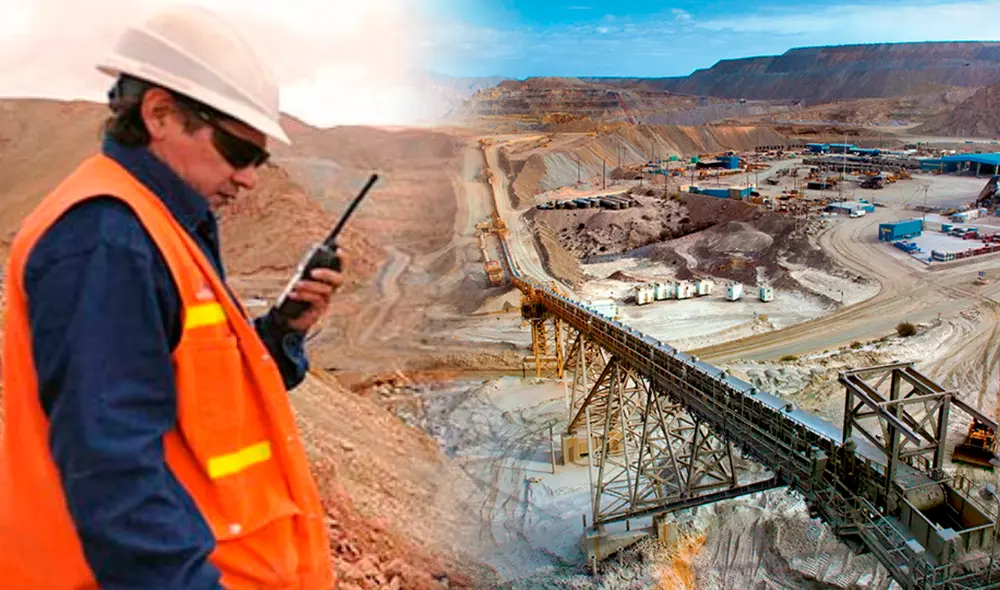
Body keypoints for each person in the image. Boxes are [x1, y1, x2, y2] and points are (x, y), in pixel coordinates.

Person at [0, 5, 339, 589]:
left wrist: (283, 331)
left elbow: (195, 400)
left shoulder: (160, 227)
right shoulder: (106, 240)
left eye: (259, 159)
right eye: (237, 152)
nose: (249, 178)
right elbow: (114, 473)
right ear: (160, 113)